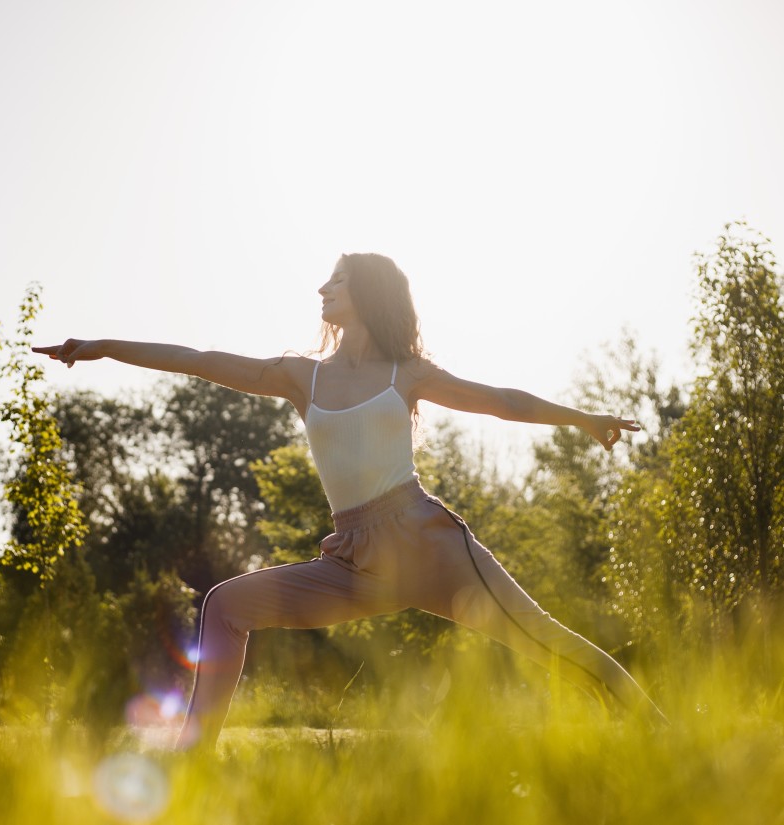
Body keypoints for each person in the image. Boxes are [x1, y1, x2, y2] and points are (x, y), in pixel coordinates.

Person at [33, 252, 665, 749]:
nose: (321, 290)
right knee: (225, 605)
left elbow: (503, 401)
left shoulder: (407, 373)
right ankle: (194, 757)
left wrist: (582, 419)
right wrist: (102, 347)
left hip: (427, 543)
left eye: (335, 280)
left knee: (542, 640)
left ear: (365, 293)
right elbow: (197, 360)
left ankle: (659, 731)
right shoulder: (298, 376)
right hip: (354, 560)